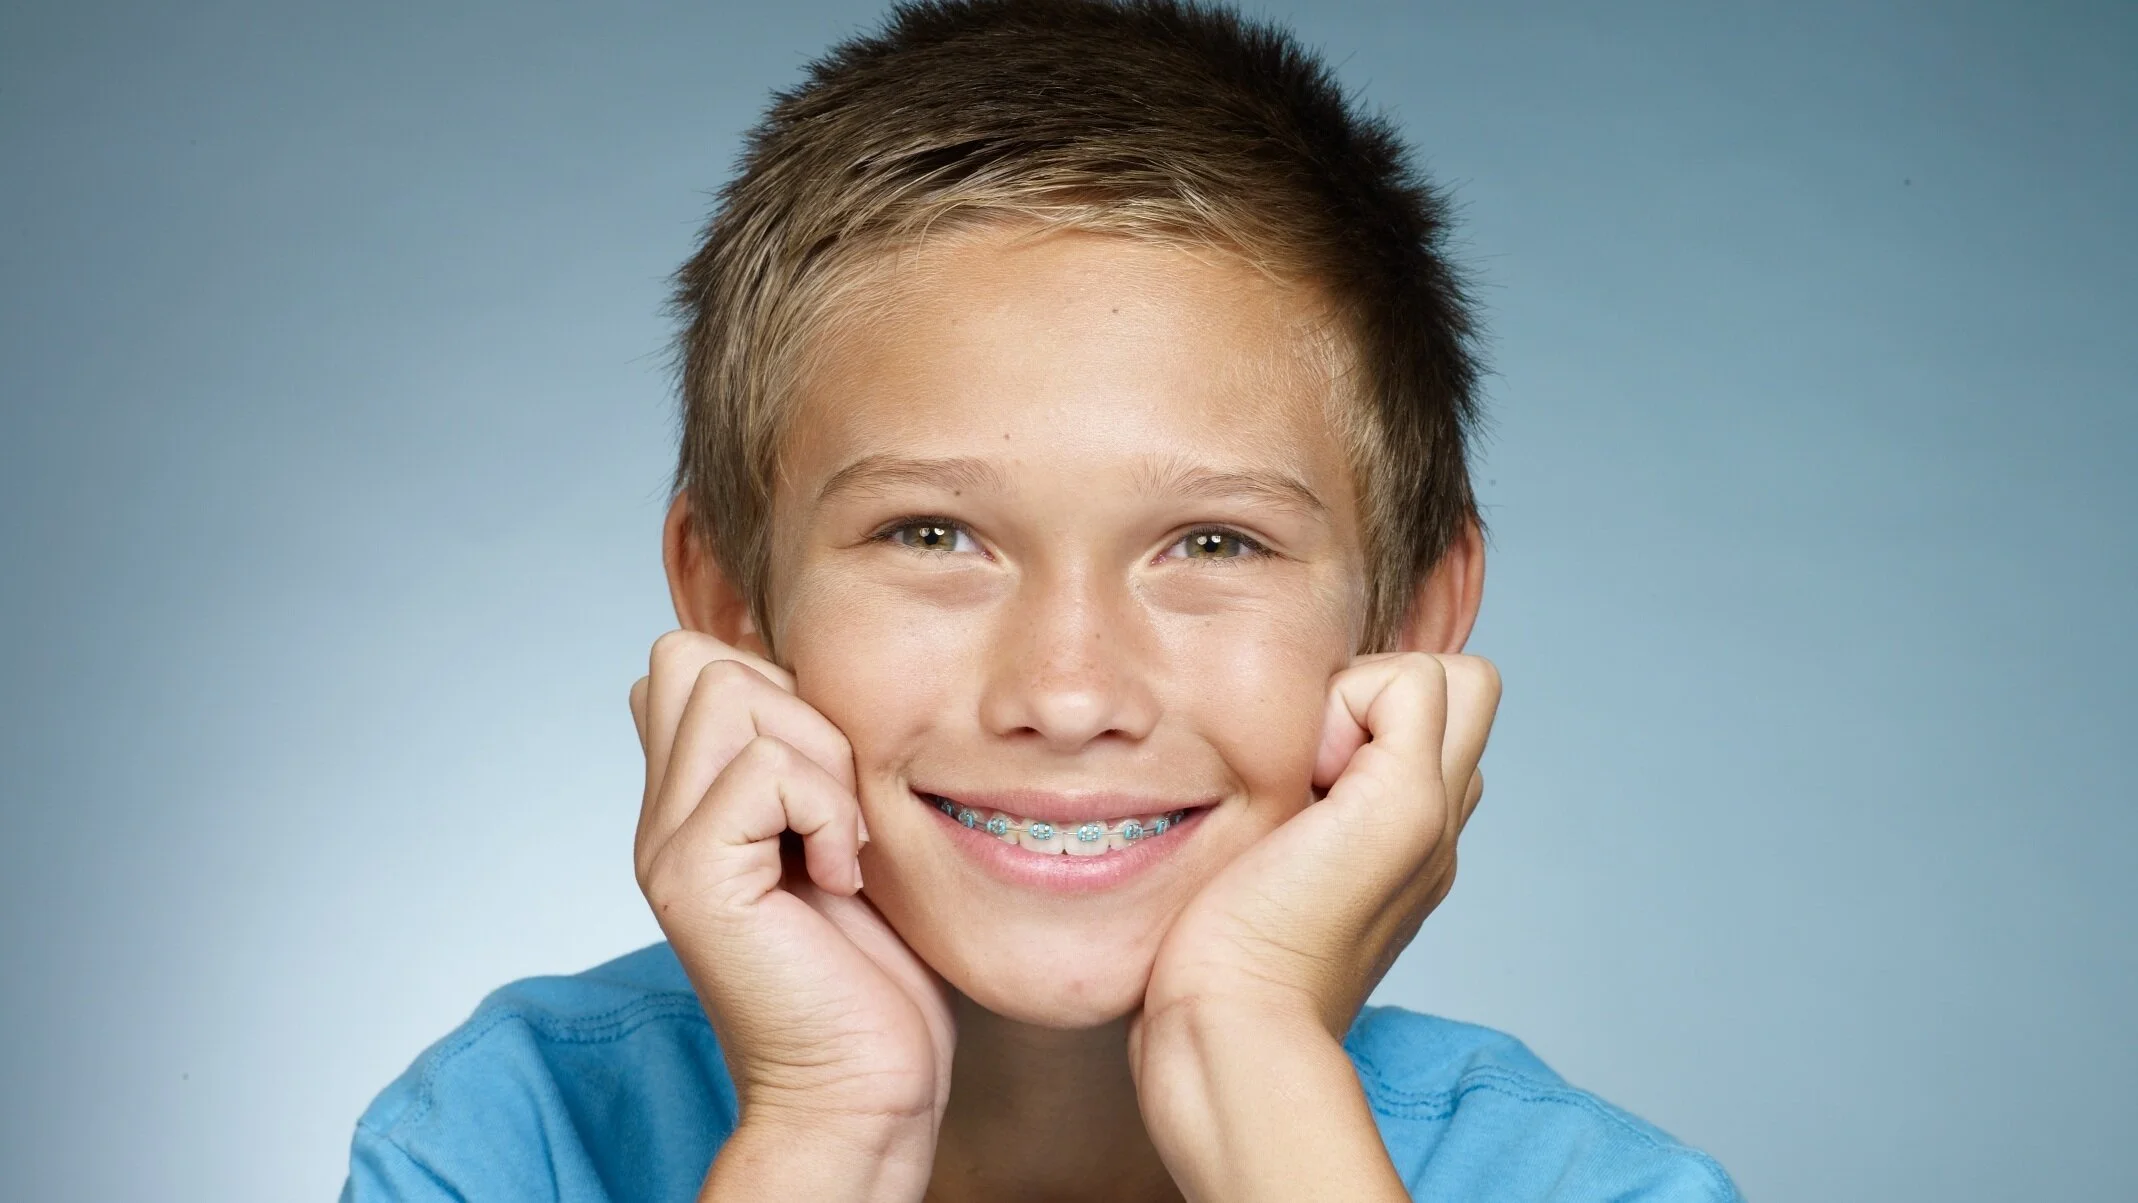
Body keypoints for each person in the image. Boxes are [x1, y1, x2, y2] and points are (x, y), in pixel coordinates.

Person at [341, 1, 1742, 1199]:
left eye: (1210, 544)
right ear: (729, 598)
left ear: (1417, 619)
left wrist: (1252, 1068)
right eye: (934, 532)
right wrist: (833, 1122)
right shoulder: (507, 1140)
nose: (1067, 694)